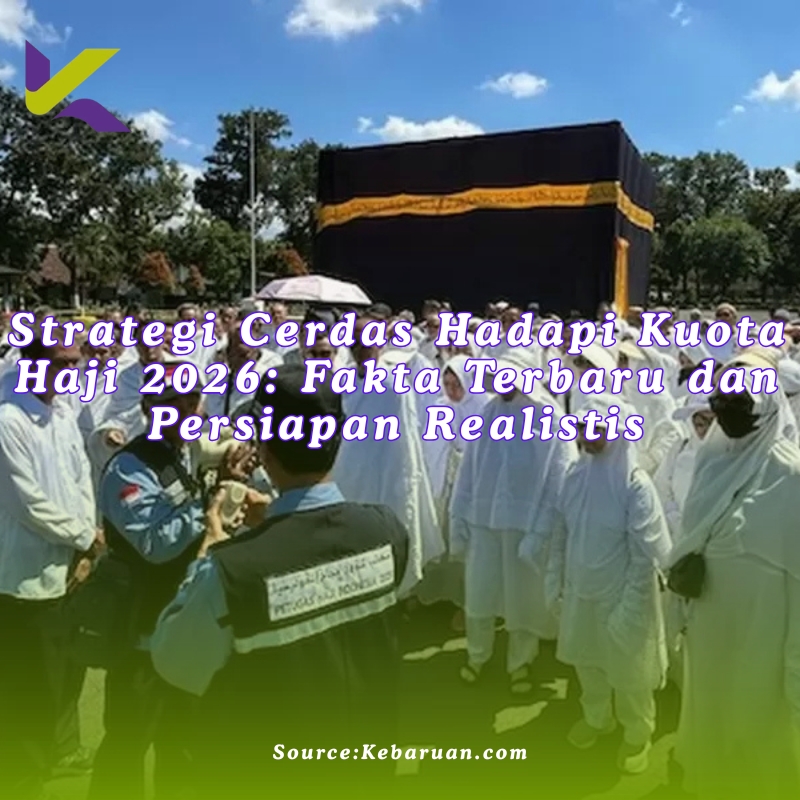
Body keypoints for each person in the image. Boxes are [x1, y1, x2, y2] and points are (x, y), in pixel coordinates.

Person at [150, 365, 410, 799]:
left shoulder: (229, 571)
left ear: (265, 450)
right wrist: (275, 517)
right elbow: (329, 567)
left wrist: (210, 546)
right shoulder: (387, 531)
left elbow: (173, 660)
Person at [88, 363, 253, 800]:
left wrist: (232, 477)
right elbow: (155, 544)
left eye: (195, 399)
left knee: (182, 746)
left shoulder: (188, 452)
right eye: (179, 402)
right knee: (127, 744)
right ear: (149, 408)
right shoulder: (129, 468)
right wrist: (215, 498)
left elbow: (225, 474)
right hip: (141, 633)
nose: (192, 410)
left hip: (188, 625)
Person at [670, 355, 800, 799]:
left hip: (765, 627)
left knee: (757, 716)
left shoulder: (791, 474)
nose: (726, 410)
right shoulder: (712, 457)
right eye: (719, 401)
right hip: (710, 619)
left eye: (738, 402)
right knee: (711, 707)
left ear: (765, 407)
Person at [547, 394, 671, 775]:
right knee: (588, 665)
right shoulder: (576, 475)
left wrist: (629, 609)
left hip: (621, 598)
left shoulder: (635, 486)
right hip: (581, 593)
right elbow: (561, 532)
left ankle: (637, 734)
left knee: (630, 676)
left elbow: (645, 557)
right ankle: (597, 719)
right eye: (583, 427)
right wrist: (556, 581)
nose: (588, 436)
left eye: (597, 429)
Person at [0, 335, 100, 799]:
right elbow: (27, 503)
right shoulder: (9, 420)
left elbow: (81, 477)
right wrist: (83, 537)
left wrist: (86, 543)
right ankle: (25, 780)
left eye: (75, 363)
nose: (70, 373)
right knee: (30, 685)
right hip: (26, 575)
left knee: (63, 671)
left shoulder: (61, 413)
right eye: (61, 363)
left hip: (70, 566)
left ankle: (58, 753)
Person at [450, 352, 575, 692]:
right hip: (484, 521)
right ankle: (477, 655)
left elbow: (557, 477)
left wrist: (540, 531)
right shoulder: (488, 412)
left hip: (525, 525)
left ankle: (520, 662)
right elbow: (469, 469)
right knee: (479, 592)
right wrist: (459, 515)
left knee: (523, 598)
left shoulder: (548, 416)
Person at [333, 315, 443, 596]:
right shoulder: (342, 381)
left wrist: (399, 492)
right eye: (355, 342)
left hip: (384, 481)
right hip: (346, 478)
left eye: (368, 342)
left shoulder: (394, 386)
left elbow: (404, 449)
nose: (361, 349)